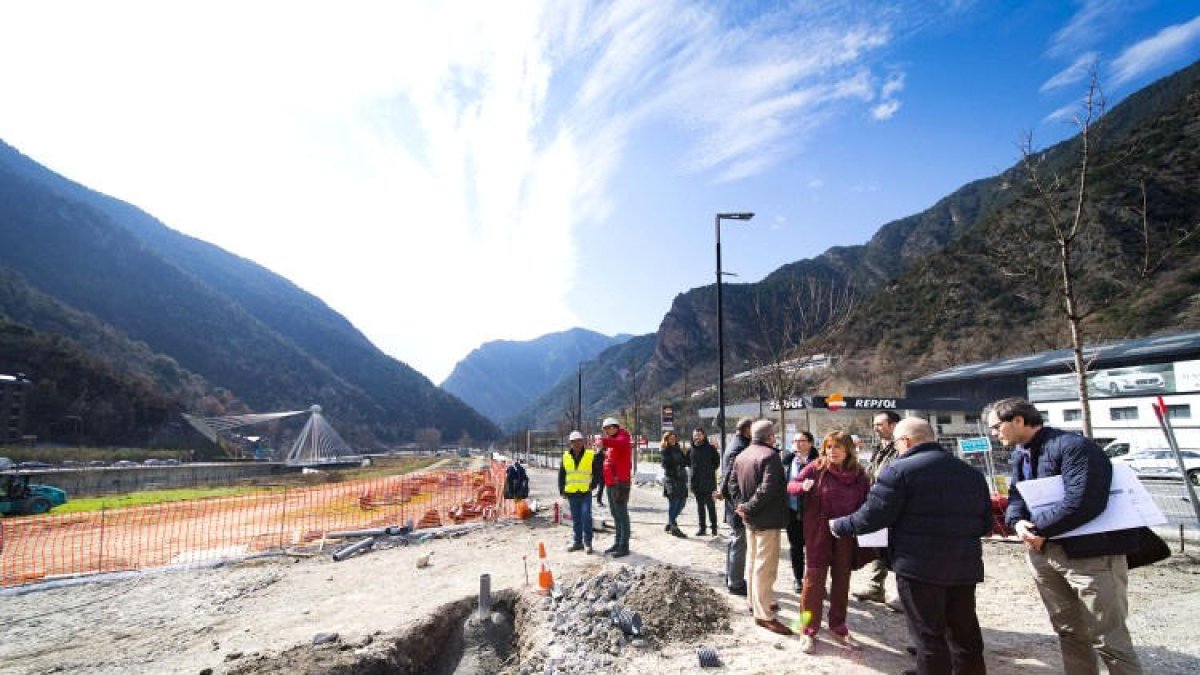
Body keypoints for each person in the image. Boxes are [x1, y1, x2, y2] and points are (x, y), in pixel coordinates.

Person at [989, 398, 1144, 675]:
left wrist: (1038, 530)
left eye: (996, 426)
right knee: (1068, 630)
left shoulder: (1075, 447)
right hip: (1043, 554)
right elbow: (1016, 495)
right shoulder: (1021, 454)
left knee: (1109, 637)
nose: (993, 433)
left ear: (1018, 420)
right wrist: (1017, 522)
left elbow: (1084, 502)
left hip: (1091, 557)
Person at [832, 417, 993, 675]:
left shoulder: (898, 471)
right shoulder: (970, 473)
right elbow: (985, 523)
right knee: (965, 632)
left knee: (928, 635)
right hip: (963, 564)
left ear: (905, 441)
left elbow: (873, 516)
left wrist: (839, 526)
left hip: (919, 567)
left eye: (896, 443)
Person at [788, 429, 870, 654]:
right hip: (818, 532)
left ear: (848, 450)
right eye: (828, 447)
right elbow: (792, 485)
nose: (832, 451)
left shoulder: (859, 474)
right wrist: (801, 487)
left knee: (842, 580)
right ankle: (807, 630)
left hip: (846, 534)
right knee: (814, 580)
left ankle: (838, 627)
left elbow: (868, 501)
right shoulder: (816, 467)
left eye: (837, 447)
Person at [730, 420, 792, 636]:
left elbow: (732, 484)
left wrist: (741, 507)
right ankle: (764, 614)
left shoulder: (742, 455)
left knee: (752, 562)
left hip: (750, 519)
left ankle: (754, 602)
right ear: (770, 437)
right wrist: (747, 507)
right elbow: (768, 488)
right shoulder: (770, 456)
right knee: (765, 568)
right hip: (766, 519)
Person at [853, 410, 903, 608]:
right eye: (874, 424)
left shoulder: (901, 448)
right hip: (877, 502)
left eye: (880, 424)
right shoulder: (880, 448)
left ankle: (903, 594)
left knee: (898, 548)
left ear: (893, 425)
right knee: (877, 545)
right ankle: (875, 587)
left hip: (895, 505)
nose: (875, 428)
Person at [717, 417, 754, 595]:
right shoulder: (740, 447)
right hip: (737, 502)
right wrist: (722, 491)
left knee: (735, 541)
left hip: (733, 501)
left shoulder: (735, 443)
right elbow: (729, 475)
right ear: (747, 430)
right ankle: (736, 582)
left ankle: (731, 577)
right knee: (739, 542)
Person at [780, 431, 818, 592]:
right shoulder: (788, 460)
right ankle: (798, 579)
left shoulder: (818, 461)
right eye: (795, 441)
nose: (797, 444)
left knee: (813, 548)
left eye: (801, 440)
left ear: (810, 443)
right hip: (792, 510)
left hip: (812, 512)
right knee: (795, 546)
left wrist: (806, 465)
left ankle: (814, 580)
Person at [559, 431, 602, 554]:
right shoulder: (566, 456)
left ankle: (588, 542)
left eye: (579, 441)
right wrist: (562, 490)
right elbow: (562, 475)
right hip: (572, 492)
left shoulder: (590, 455)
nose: (577, 444)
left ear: (582, 442)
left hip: (585, 492)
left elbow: (597, 471)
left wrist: (593, 484)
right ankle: (577, 542)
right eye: (574, 442)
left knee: (586, 516)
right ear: (571, 443)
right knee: (576, 518)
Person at [597, 416, 633, 558]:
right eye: (605, 429)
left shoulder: (623, 437)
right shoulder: (612, 442)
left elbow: (620, 444)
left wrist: (603, 441)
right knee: (615, 514)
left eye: (608, 428)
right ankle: (618, 542)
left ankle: (624, 545)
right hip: (611, 483)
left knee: (622, 514)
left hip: (620, 483)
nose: (606, 431)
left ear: (615, 427)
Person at [688, 427, 721, 536]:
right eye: (695, 435)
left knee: (711, 507)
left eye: (699, 435)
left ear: (703, 436)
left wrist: (708, 471)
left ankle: (714, 528)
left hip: (709, 483)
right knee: (700, 507)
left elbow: (716, 463)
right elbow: (688, 463)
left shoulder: (710, 448)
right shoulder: (691, 449)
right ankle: (702, 528)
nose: (697, 437)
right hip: (696, 483)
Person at [660, 431, 689, 538]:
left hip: (681, 479)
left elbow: (685, 462)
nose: (673, 440)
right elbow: (665, 464)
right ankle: (674, 528)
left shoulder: (678, 449)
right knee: (674, 503)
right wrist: (678, 464)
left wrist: (685, 457)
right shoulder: (665, 450)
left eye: (674, 438)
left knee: (682, 503)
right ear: (666, 440)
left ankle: (670, 522)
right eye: (670, 438)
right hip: (671, 480)